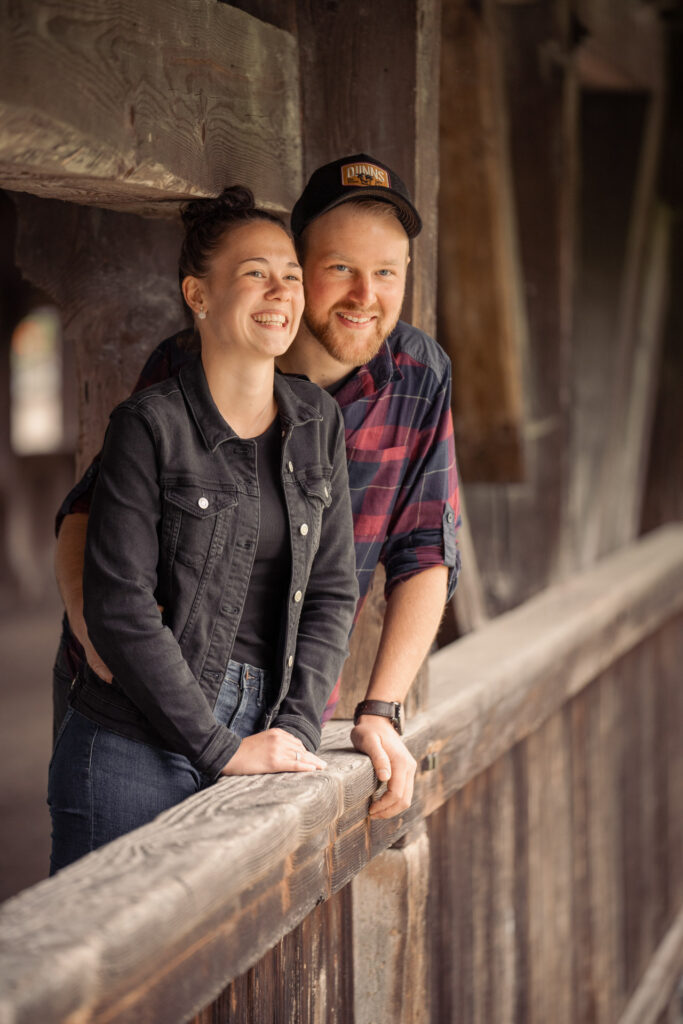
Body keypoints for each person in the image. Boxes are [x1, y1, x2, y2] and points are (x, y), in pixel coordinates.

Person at [54, 153, 461, 823]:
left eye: (386, 272)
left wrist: (379, 708)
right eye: (338, 270)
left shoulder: (413, 374)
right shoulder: (187, 364)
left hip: (282, 712)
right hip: (132, 696)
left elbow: (424, 547)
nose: (365, 295)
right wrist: (93, 624)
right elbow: (90, 511)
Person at [48, 187, 358, 872]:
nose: (281, 291)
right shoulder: (149, 425)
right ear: (198, 293)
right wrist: (220, 748)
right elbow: (119, 603)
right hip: (136, 736)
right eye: (255, 273)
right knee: (106, 957)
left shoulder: (316, 423)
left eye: (292, 276)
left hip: (269, 723)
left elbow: (334, 590)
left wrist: (295, 728)